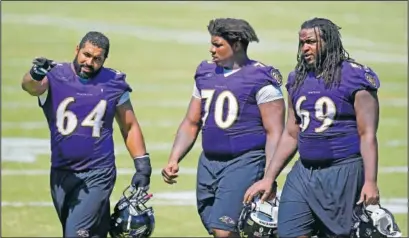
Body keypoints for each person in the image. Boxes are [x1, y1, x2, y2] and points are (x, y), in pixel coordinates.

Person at [243, 17, 381, 237]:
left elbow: (367, 135)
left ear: (330, 42)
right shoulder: (296, 78)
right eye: (302, 43)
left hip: (342, 171)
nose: (305, 48)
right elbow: (291, 133)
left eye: (311, 42)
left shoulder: (355, 77)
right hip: (303, 173)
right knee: (288, 233)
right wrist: (269, 177)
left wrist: (371, 182)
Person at [161, 18, 285, 237]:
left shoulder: (260, 78)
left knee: (223, 230)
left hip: (244, 160)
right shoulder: (205, 73)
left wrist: (269, 177)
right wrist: (174, 158)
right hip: (208, 162)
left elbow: (275, 132)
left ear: (236, 45)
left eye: (218, 45)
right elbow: (191, 122)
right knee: (218, 226)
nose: (211, 50)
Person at [21, 31, 152, 238]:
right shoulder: (55, 75)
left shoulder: (113, 82)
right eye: (86, 54)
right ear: (77, 50)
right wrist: (36, 72)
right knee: (93, 234)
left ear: (104, 60)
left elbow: (129, 125)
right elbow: (30, 86)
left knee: (75, 234)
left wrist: (142, 165)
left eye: (96, 58)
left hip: (98, 173)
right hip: (61, 172)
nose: (89, 62)